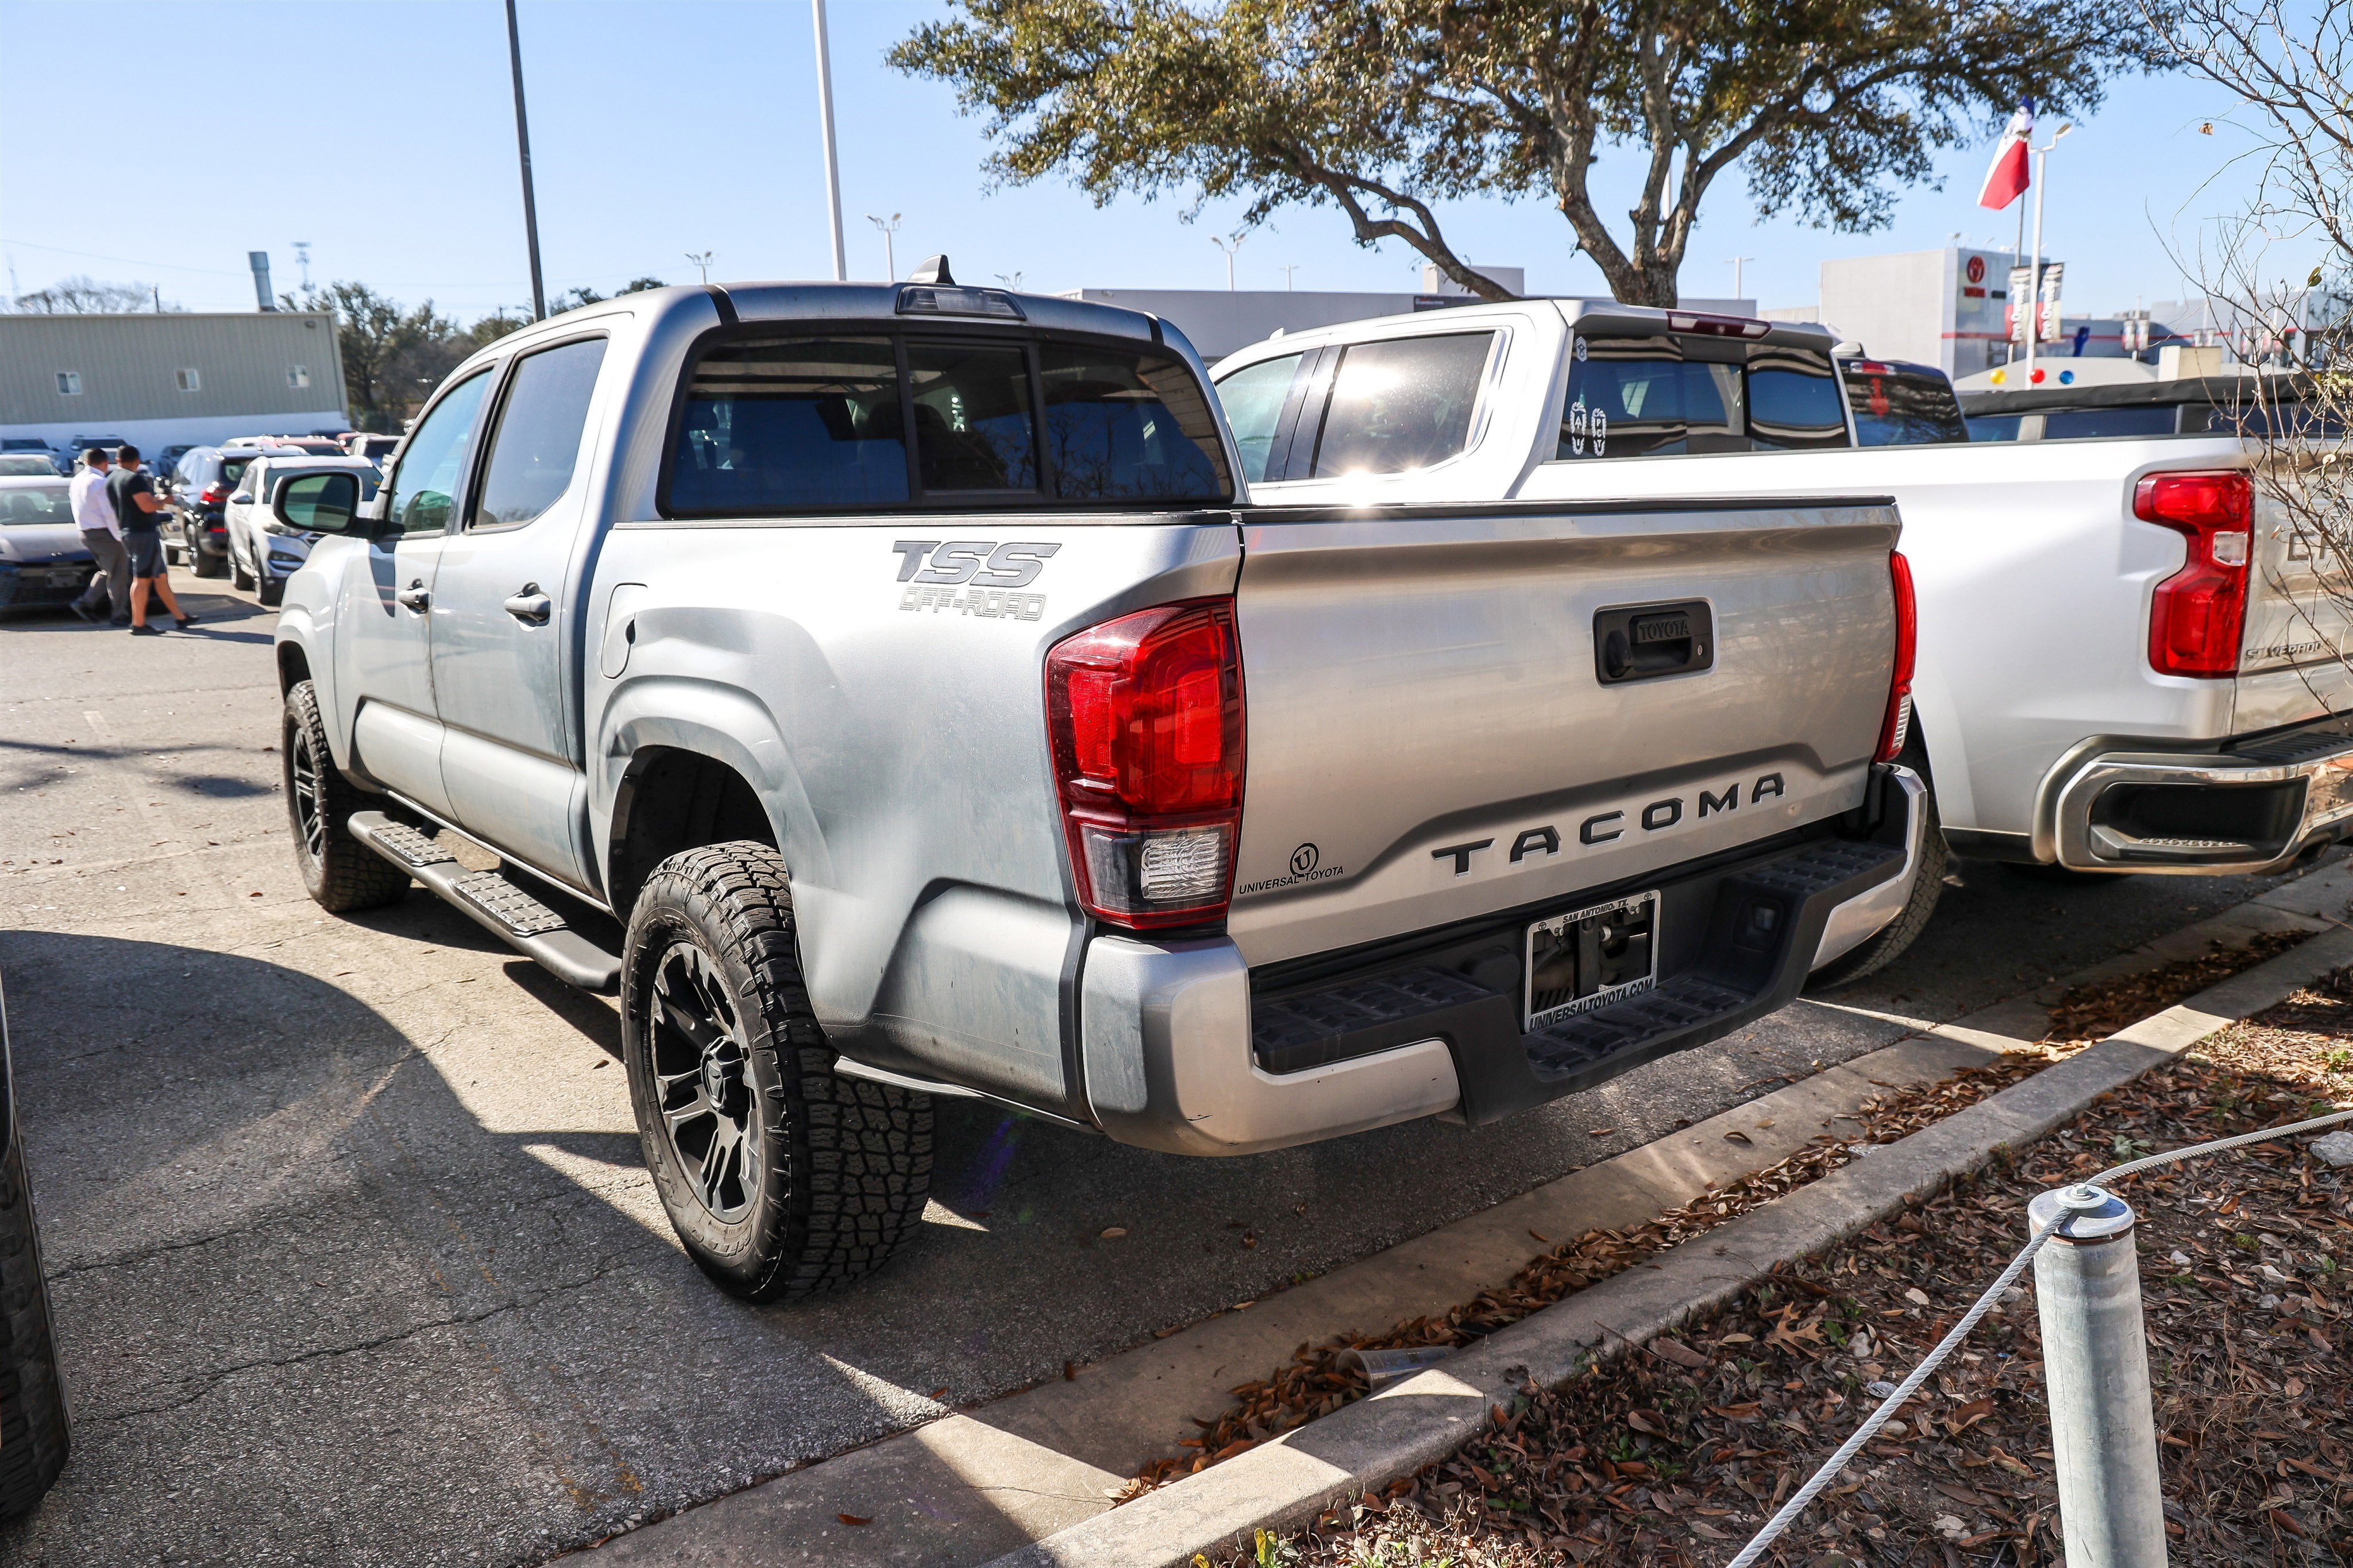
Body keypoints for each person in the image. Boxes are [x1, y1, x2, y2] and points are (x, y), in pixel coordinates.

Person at [104, 444, 195, 635]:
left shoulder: (111, 479)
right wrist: (164, 501)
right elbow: (146, 506)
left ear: (117, 460)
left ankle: (180, 617)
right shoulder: (134, 479)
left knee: (159, 577)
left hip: (129, 531)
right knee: (142, 578)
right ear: (137, 461)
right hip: (142, 533)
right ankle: (138, 624)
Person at [68, 447, 130, 625]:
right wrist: (119, 536)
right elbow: (109, 513)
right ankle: (120, 615)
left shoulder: (77, 480)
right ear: (105, 464)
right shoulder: (99, 482)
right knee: (119, 575)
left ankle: (85, 603)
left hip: (86, 532)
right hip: (104, 533)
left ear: (87, 462)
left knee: (107, 571)